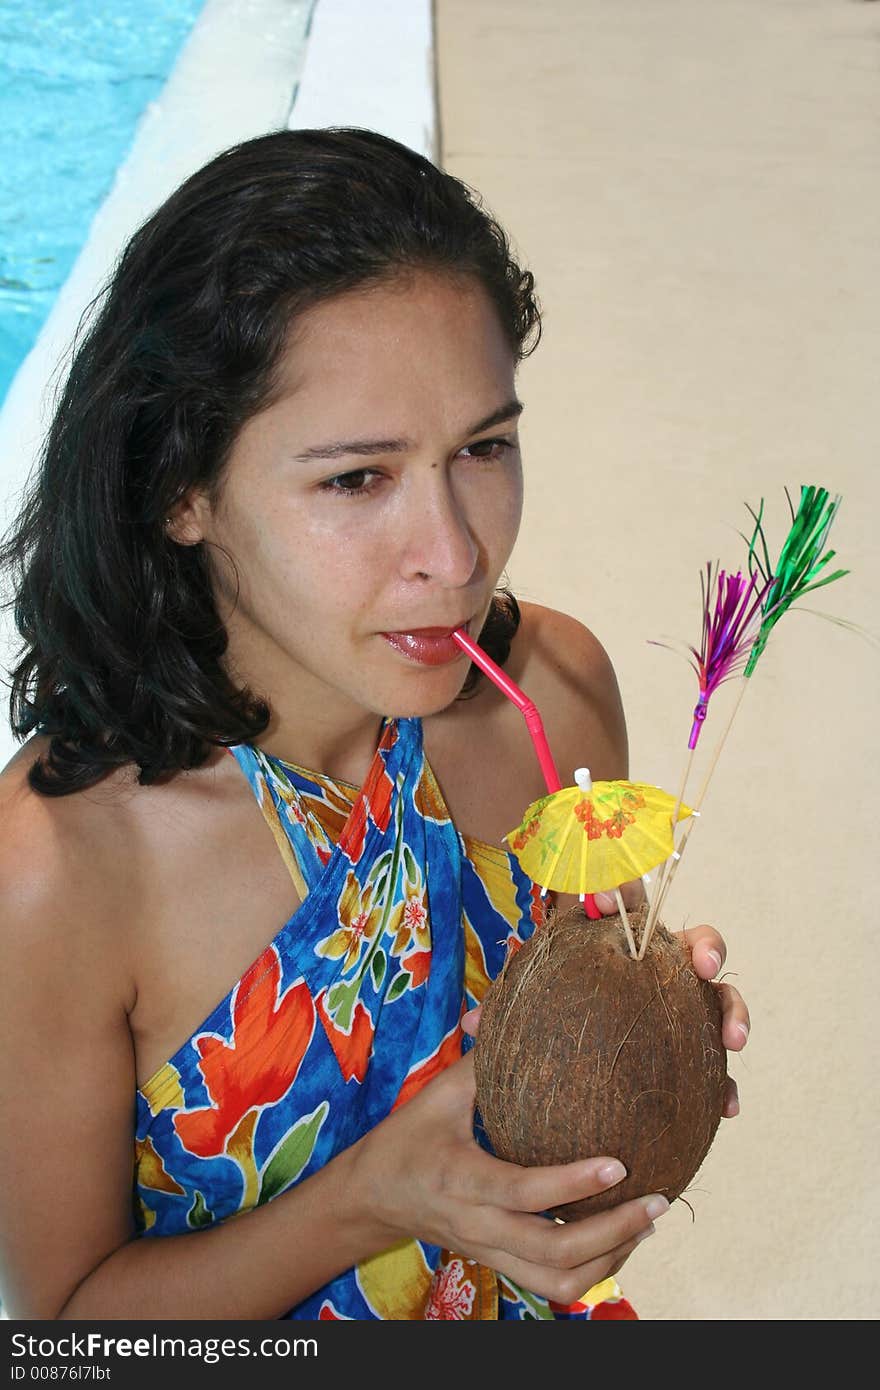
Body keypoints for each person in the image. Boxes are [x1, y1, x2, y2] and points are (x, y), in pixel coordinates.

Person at [0, 128, 749, 1322]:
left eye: (483, 447)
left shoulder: (551, 693)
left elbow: (552, 1152)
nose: (453, 556)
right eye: (357, 479)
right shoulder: (61, 871)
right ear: (180, 488)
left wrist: (642, 1029)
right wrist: (372, 1199)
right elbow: (66, 1331)